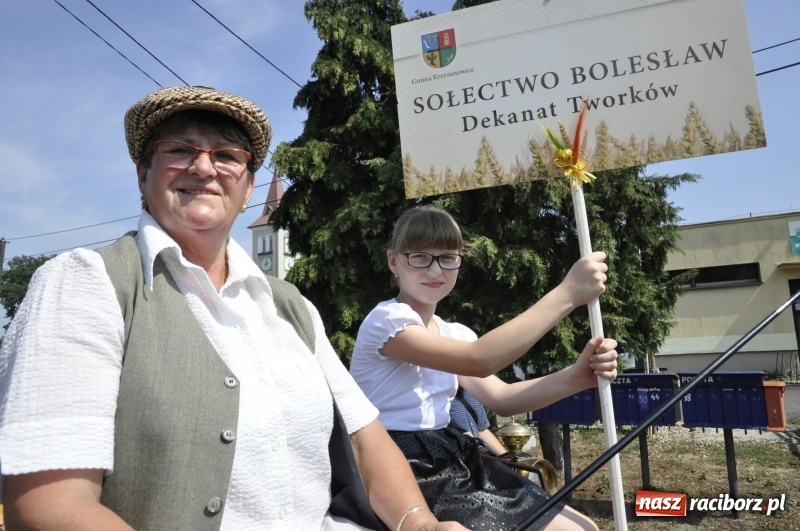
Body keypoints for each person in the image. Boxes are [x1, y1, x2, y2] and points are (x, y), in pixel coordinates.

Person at [0, 86, 467, 531]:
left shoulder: (290, 305)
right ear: (143, 175)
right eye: (179, 149)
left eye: (226, 155)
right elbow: (48, 508)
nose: (204, 167)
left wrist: (419, 522)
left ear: (247, 190)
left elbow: (365, 438)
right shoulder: (86, 282)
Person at [350, 205, 619, 531]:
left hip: (451, 455)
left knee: (584, 527)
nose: (434, 270)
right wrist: (567, 294)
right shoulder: (387, 321)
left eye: (447, 258)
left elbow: (502, 398)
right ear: (394, 262)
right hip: (399, 463)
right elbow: (478, 360)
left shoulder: (454, 334)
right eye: (419, 257)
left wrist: (575, 377)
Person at [448, 387, 507, 456]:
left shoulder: (471, 393)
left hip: (476, 457)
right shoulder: (439, 398)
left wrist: (506, 457)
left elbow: (482, 430)